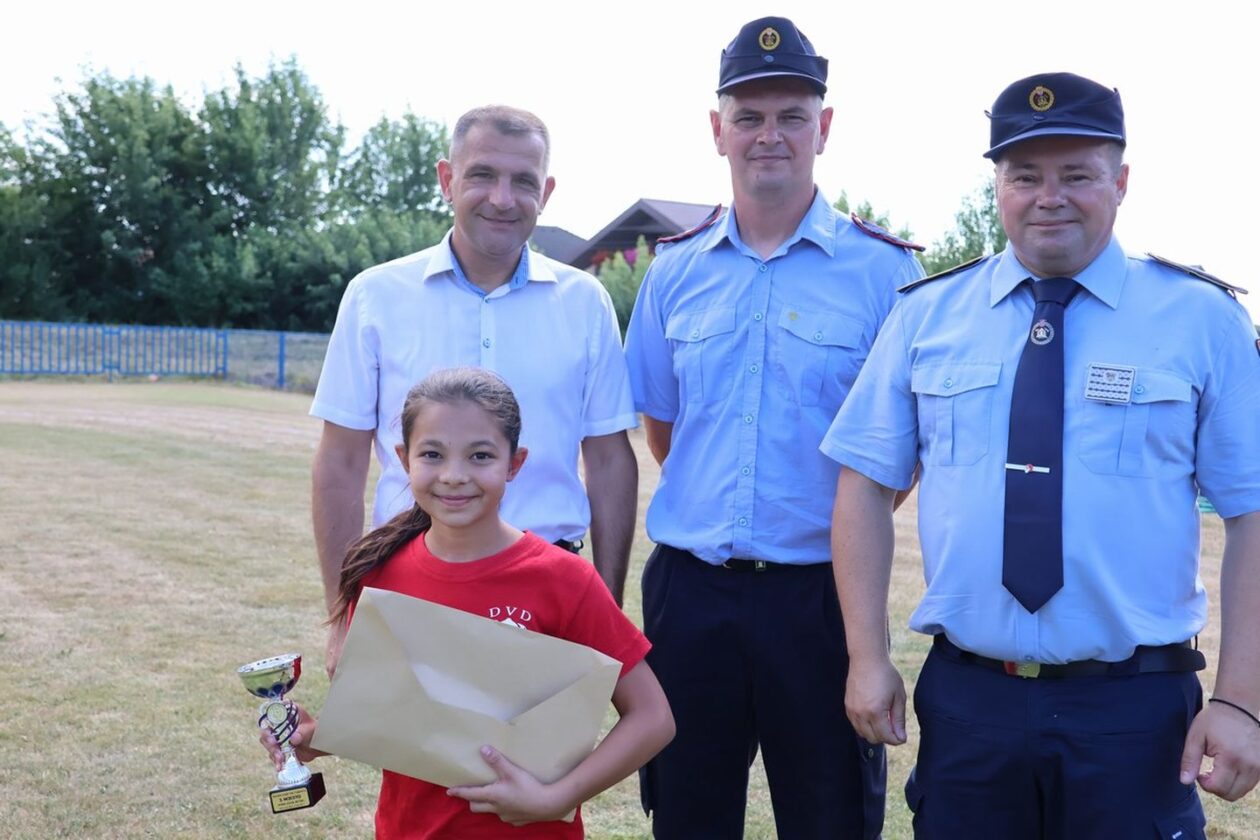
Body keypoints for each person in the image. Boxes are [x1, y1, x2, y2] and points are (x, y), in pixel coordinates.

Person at [825, 71, 1260, 838]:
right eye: (1024, 175)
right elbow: (863, 486)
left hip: (1135, 710)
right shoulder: (928, 317)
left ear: (1120, 182)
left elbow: (1253, 514)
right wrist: (867, 655)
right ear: (998, 185)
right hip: (970, 705)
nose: (1048, 196)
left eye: (1077, 175)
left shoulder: (1201, 321)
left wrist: (1240, 698)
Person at [622, 16, 925, 838]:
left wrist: (826, 531)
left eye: (792, 115)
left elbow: (902, 459)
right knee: (686, 813)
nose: (770, 135)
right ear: (716, 128)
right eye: (748, 116)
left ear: (823, 129)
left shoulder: (888, 274)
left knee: (829, 817)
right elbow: (663, 429)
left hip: (822, 600)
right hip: (692, 595)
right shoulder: (673, 271)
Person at [266, 367, 674, 838]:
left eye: (480, 456)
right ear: (403, 459)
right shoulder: (379, 573)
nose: (454, 476)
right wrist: (309, 737)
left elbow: (652, 717)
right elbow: (398, 720)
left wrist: (558, 797)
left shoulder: (564, 580)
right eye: (432, 454)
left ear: (514, 463)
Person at [310, 105, 638, 675]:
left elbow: (609, 461)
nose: (502, 198)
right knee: (414, 764)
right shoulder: (375, 296)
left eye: (524, 181)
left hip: (550, 598)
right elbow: (339, 462)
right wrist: (343, 616)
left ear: (548, 191)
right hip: (409, 589)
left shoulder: (586, 303)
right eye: (483, 175)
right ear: (447, 179)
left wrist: (603, 608)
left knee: (546, 768)